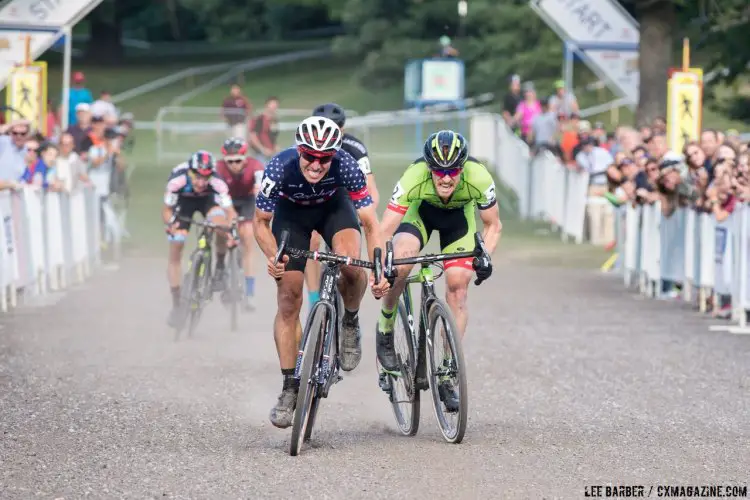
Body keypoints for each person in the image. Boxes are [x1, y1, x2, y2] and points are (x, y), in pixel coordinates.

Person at [252, 116, 389, 428]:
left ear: (334, 156)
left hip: (333, 209)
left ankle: (350, 321)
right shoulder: (279, 167)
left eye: (324, 158)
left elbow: (370, 223)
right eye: (310, 156)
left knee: (351, 264)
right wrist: (272, 254)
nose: (316, 164)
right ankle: (289, 388)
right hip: (292, 217)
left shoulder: (346, 166)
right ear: (299, 151)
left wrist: (379, 267)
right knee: (288, 298)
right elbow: (259, 222)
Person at [376, 130, 502, 412]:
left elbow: (493, 225)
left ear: (463, 167)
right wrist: (382, 268)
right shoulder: (414, 176)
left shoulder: (479, 177)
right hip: (419, 215)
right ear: (429, 168)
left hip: (459, 222)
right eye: (439, 171)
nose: (446, 178)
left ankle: (447, 370)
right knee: (401, 264)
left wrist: (486, 256)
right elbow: (385, 229)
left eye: (453, 171)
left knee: (458, 287)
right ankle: (385, 328)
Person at [303, 102, 380, 310]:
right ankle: (312, 299)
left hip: (345, 201)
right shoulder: (306, 148)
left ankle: (349, 317)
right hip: (314, 199)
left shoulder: (354, 148)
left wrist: (362, 215)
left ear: (342, 129)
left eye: (334, 127)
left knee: (349, 257)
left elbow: (371, 191)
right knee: (311, 240)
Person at [162, 150, 237, 327]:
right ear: (190, 172)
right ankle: (177, 304)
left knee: (220, 225)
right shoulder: (177, 180)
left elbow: (230, 211)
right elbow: (166, 209)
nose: (201, 182)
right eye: (197, 177)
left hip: (208, 202)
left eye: (206, 177)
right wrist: (170, 223)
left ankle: (219, 265)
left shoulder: (217, 182)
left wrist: (230, 229)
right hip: (184, 204)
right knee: (177, 244)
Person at [214, 137, 265, 310]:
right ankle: (220, 263)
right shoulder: (218, 168)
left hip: (247, 200)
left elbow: (260, 191)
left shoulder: (255, 166)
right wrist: (227, 219)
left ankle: (249, 293)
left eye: (238, 161)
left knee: (248, 238)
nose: (234, 165)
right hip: (225, 199)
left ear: (245, 158)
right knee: (220, 229)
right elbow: (215, 196)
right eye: (230, 161)